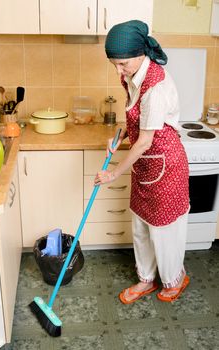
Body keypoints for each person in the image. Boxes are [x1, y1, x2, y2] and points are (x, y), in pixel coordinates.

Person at [94, 20, 190, 303]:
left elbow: (146, 141)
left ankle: (174, 280)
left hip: (166, 166)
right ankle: (146, 279)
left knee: (163, 232)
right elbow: (134, 119)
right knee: (141, 227)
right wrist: (119, 136)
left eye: (122, 63)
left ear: (140, 54)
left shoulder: (155, 87)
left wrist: (113, 174)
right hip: (146, 165)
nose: (118, 70)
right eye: (113, 64)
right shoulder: (132, 76)